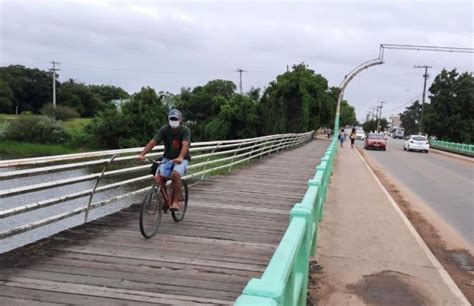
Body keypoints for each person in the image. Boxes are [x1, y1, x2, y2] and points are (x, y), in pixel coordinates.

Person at [137, 109, 191, 211]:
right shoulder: (164, 130)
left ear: (180, 120)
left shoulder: (185, 130)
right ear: (168, 119)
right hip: (167, 158)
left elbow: (185, 144)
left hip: (182, 158)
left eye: (175, 119)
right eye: (171, 119)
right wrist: (142, 154)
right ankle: (166, 200)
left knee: (175, 174)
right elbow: (153, 142)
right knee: (158, 178)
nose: (173, 121)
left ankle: (175, 202)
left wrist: (180, 157)